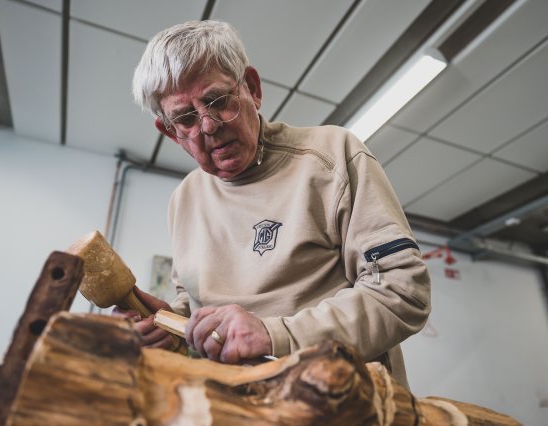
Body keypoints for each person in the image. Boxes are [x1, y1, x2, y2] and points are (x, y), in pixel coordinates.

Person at [124, 19, 430, 389]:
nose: (207, 126)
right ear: (170, 132)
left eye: (217, 101)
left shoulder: (331, 156)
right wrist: (170, 324)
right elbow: (193, 304)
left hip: (337, 404)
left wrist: (274, 335)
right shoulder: (184, 200)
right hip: (231, 406)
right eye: (186, 118)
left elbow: (402, 291)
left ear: (252, 88)